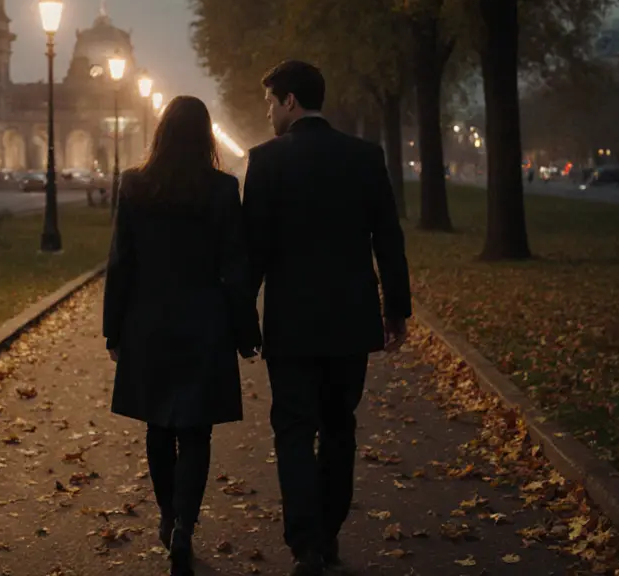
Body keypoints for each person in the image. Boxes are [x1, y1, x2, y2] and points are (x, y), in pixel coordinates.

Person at [243, 60, 412, 575]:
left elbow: (254, 252)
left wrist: (241, 319)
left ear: (290, 101)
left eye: (271, 102)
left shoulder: (266, 162)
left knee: (293, 430)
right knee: (340, 427)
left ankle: (305, 543)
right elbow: (388, 238)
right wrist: (396, 310)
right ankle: (330, 531)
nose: (268, 112)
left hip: (291, 325)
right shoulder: (364, 157)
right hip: (349, 321)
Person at [102, 95, 261, 576]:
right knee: (196, 431)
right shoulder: (221, 189)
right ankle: (187, 525)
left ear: (161, 133)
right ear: (206, 136)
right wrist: (245, 332)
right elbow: (235, 269)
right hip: (204, 323)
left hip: (147, 323)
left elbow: (120, 264)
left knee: (158, 425)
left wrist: (113, 330)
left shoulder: (134, 185)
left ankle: (168, 516)